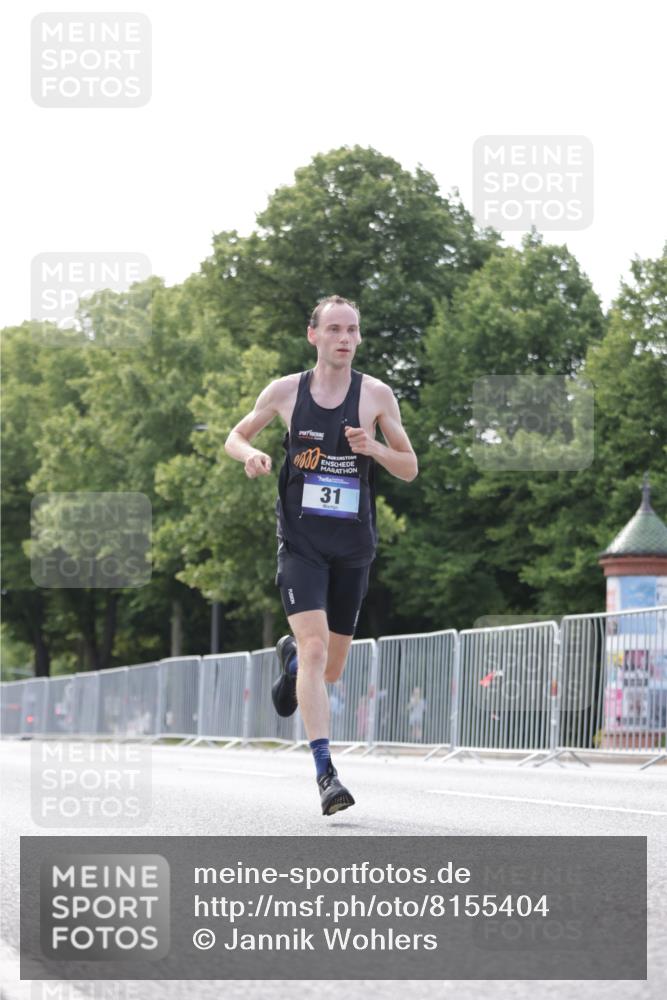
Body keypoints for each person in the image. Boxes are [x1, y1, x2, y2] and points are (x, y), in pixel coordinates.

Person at [224, 295, 418, 815]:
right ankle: (326, 774)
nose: (345, 339)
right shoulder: (287, 392)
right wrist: (253, 455)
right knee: (315, 650)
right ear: (313, 335)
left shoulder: (376, 395)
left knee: (329, 670)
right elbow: (235, 436)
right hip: (301, 543)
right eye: (334, 329)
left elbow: (410, 466)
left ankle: (291, 667)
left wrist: (374, 449)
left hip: (352, 547)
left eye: (352, 330)